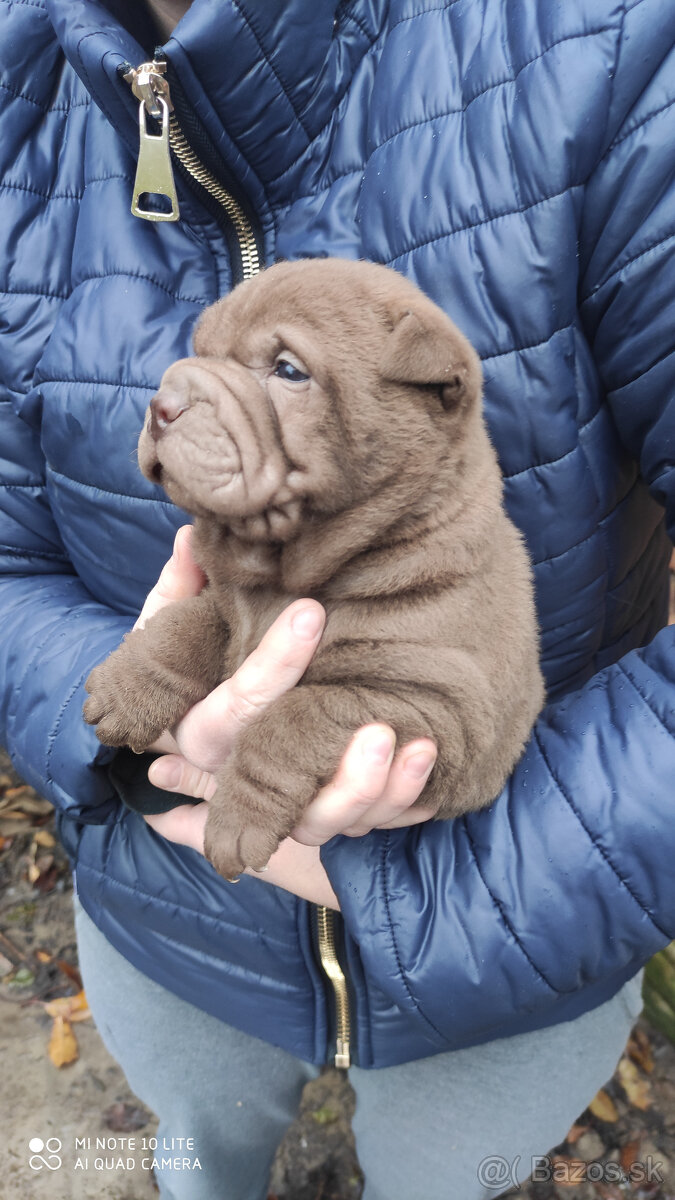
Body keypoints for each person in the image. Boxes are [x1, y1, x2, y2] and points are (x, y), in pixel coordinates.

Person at [1, 0, 674, 1197]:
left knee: (442, 1178)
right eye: (201, 358)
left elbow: (440, 696)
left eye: (285, 370)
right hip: (171, 920)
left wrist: (467, 898)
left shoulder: (608, 45)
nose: (177, 398)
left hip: (502, 983)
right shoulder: (22, 96)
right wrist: (116, 728)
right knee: (197, 1154)